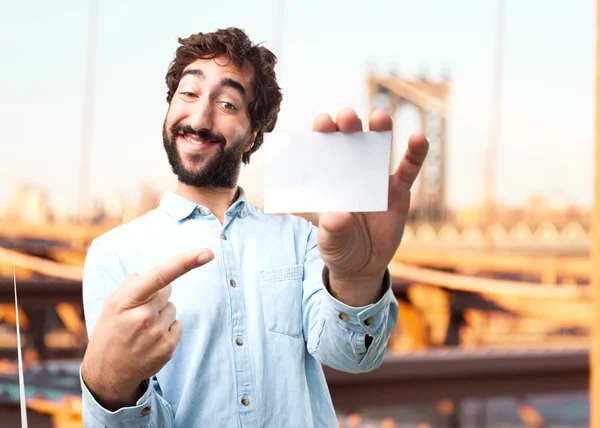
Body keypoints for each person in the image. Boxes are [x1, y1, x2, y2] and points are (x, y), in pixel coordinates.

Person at [79, 27, 429, 428]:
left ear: (252, 138)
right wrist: (111, 386)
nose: (199, 116)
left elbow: (352, 356)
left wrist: (357, 282)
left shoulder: (301, 239)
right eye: (188, 94)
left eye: (227, 103)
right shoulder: (113, 254)